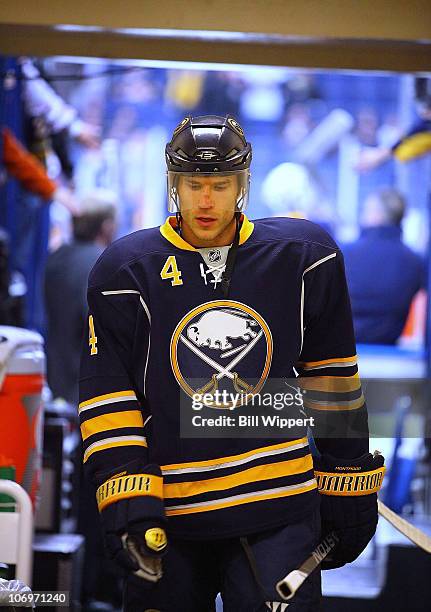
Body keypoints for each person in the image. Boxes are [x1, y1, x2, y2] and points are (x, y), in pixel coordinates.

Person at [78, 115, 384, 611]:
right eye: (193, 184)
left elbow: (332, 379)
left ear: (242, 185)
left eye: (220, 185)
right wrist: (127, 499)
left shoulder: (303, 256)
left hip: (279, 510)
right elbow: (108, 397)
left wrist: (347, 479)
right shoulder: (124, 272)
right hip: (171, 515)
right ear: (173, 184)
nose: (205, 200)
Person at [44, 189, 117, 405]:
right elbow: (99, 324)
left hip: (54, 375)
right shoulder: (99, 263)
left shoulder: (55, 257)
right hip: (83, 384)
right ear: (107, 226)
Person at [343, 188, 424, 344]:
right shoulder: (414, 261)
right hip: (390, 344)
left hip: (343, 346)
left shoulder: (345, 253)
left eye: (365, 210)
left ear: (376, 215)